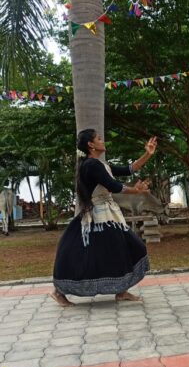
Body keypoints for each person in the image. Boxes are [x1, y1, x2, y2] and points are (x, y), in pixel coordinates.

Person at [51, 129, 157, 307]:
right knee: (86, 254)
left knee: (122, 249)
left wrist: (148, 154)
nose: (103, 140)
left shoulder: (100, 164)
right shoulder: (91, 165)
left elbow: (129, 169)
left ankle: (121, 291)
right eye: (99, 138)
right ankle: (59, 291)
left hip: (109, 215)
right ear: (91, 145)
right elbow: (114, 186)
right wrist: (136, 191)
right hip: (97, 217)